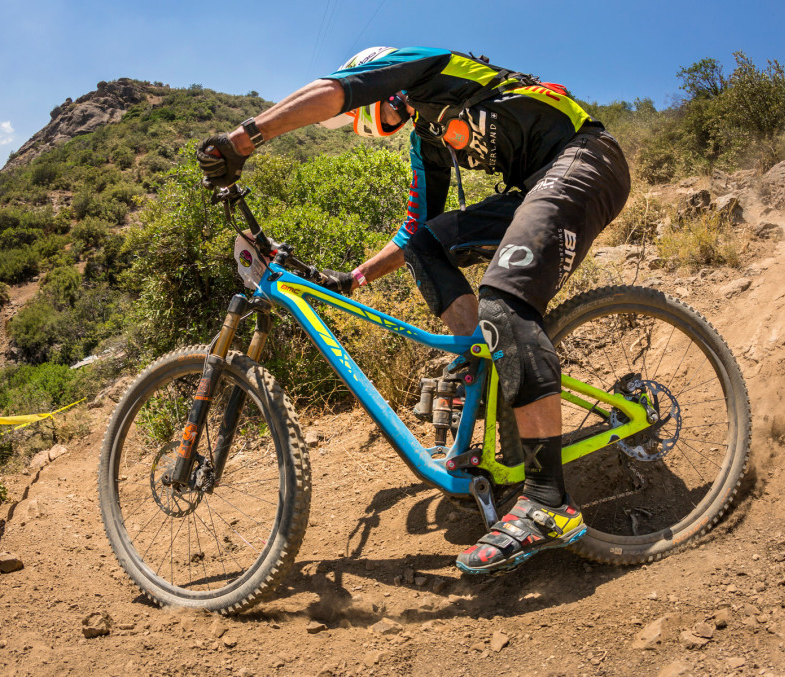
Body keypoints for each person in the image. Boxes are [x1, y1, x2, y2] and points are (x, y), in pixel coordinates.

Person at [197, 46, 631, 574]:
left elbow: (336, 91)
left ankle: (546, 501)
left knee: (503, 298)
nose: (369, 122)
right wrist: (352, 278)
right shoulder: (427, 140)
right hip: (534, 187)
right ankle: (487, 354)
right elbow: (412, 233)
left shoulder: (432, 68)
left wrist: (242, 141)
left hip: (585, 159)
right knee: (429, 245)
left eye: (366, 115)